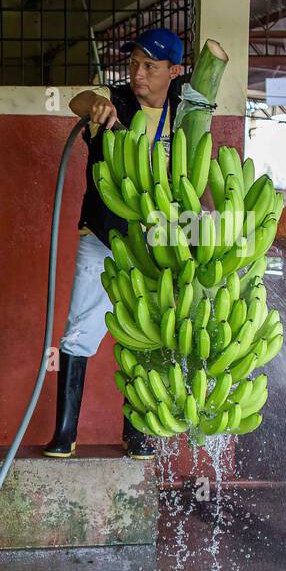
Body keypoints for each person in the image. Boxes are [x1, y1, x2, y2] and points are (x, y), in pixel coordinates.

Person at [44, 28, 186, 460]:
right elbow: (79, 100)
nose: (138, 73)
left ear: (174, 72)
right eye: (134, 64)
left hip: (159, 244)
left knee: (146, 334)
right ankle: (65, 432)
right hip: (104, 236)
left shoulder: (186, 113)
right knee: (82, 327)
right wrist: (96, 105)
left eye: (150, 66)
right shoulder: (117, 101)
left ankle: (138, 432)